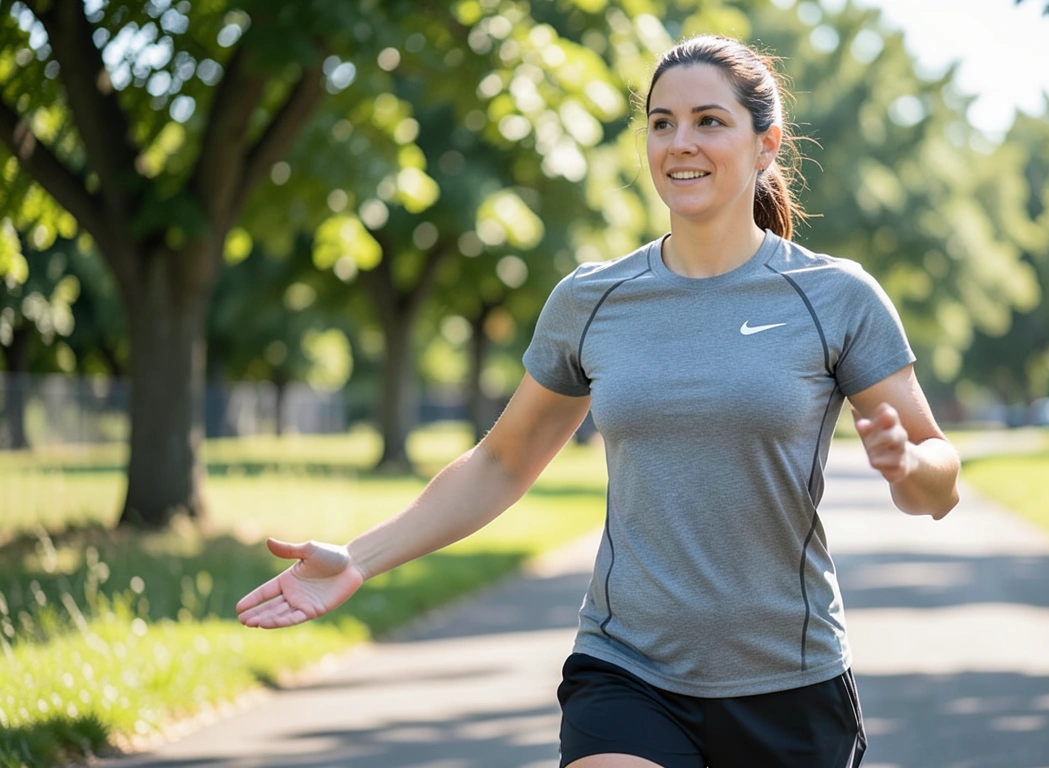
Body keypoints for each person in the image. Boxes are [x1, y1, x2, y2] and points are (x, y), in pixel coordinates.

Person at [236, 34, 961, 768]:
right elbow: (503, 461)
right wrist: (358, 558)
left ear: (766, 144)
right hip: (628, 670)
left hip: (790, 683)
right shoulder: (593, 299)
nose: (681, 143)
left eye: (709, 121)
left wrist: (907, 468)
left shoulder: (835, 297)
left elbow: (939, 480)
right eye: (661, 122)